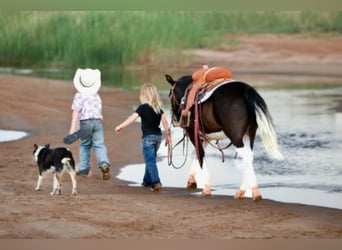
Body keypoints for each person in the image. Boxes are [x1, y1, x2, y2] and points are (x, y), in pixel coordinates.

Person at [115, 83, 171, 191]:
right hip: (158, 137)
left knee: (150, 161)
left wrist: (120, 126)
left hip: (148, 138)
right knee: (150, 159)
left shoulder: (142, 108)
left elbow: (131, 119)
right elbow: (165, 122)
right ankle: (147, 181)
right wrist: (168, 137)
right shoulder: (159, 109)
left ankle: (156, 182)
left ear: (144, 95)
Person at [63, 68, 111, 180]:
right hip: (97, 122)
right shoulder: (96, 96)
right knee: (99, 144)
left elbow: (75, 112)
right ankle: (104, 163)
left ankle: (84, 169)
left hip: (85, 123)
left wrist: (72, 128)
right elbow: (99, 112)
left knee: (85, 145)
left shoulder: (79, 95)